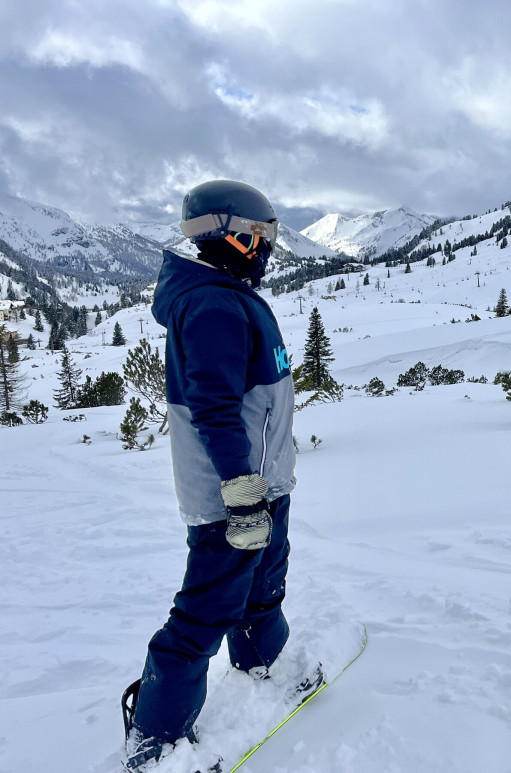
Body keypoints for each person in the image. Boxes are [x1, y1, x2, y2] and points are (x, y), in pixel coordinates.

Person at [121, 180, 318, 771]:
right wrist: (240, 491)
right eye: (258, 236)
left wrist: (263, 486)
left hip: (264, 485)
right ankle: (155, 739)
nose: (265, 248)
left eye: (269, 236)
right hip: (233, 497)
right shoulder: (211, 304)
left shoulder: (227, 292)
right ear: (223, 233)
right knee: (205, 611)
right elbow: (212, 405)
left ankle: (263, 662)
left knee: (262, 588)